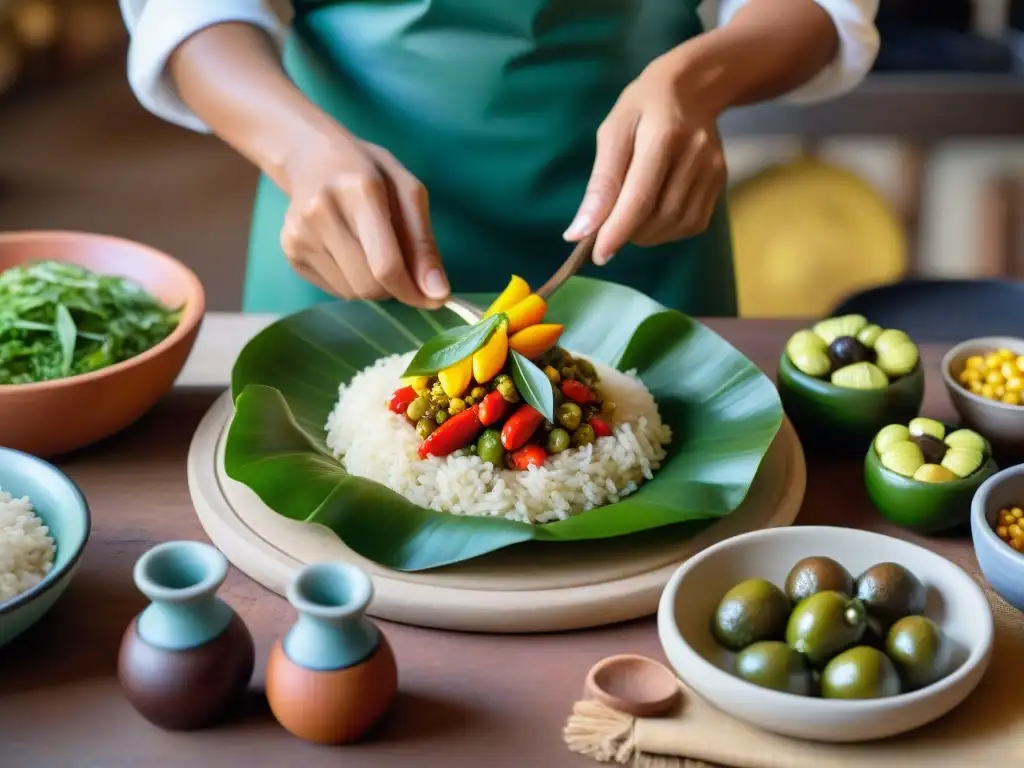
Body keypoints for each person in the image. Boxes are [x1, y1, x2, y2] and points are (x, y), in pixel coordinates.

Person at [119, 0, 878, 316]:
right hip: (340, 223)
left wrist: (698, 82)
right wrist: (299, 149)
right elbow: (188, 11)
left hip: (643, 230)